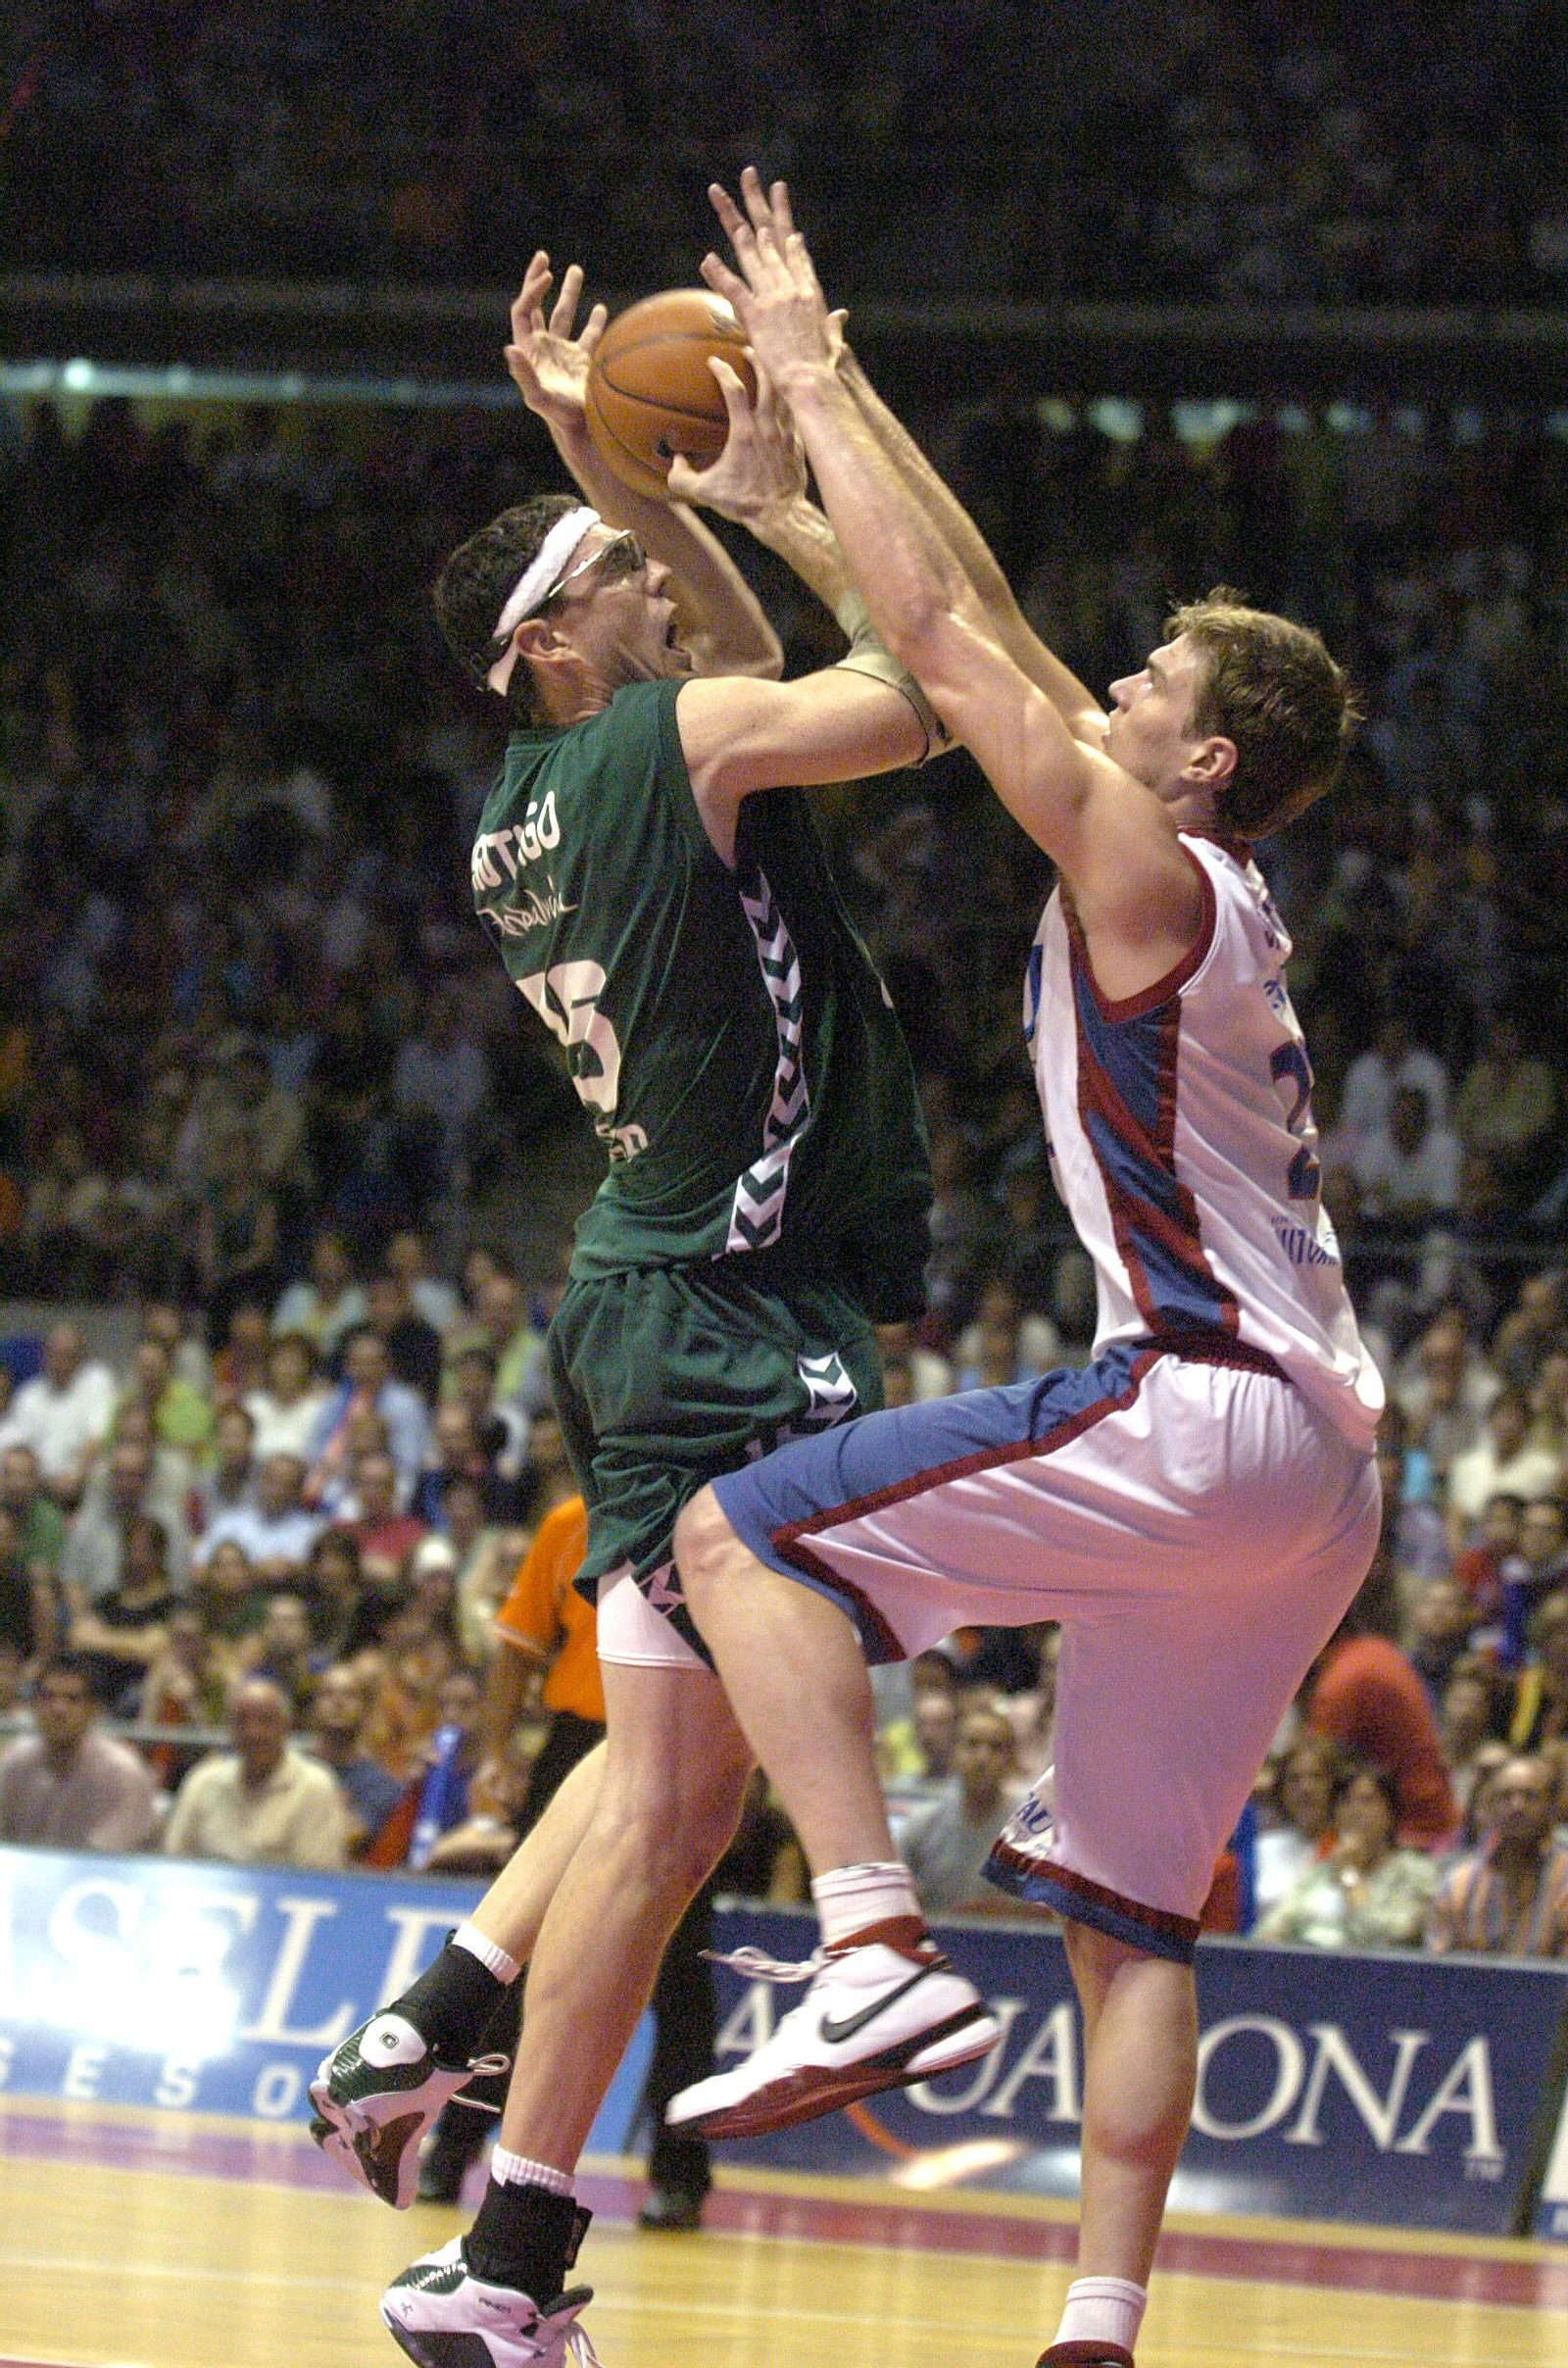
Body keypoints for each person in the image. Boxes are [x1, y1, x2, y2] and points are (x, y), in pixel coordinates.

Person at [659, 173, 1384, 2368]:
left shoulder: (1142, 859)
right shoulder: (1196, 862)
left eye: (1151, 678)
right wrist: (803, 488)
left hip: (1195, 1399)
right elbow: (959, 603)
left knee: (737, 1535)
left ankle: (870, 1941)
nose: (1119, 681)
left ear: (1206, 755)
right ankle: (1097, 2321)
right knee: (1129, 1914)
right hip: (1322, 1481)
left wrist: (813, 370)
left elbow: (948, 638)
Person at [311, 241, 940, 2366]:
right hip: (741, 1298)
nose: (652, 579)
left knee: (668, 1802)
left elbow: (725, 661)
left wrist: (622, 471)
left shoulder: (533, 800)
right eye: (614, 572)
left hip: (643, 1286)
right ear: (548, 642)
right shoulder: (671, 746)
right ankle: (865, 1938)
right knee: (698, 1777)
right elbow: (912, 684)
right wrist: (785, 480)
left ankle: (488, 2198)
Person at [162, 1676, 349, 1869]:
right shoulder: (202, 1780)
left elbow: (318, 1876)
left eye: (265, 1720)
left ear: (286, 1726)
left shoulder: (316, 1786)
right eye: (242, 1721)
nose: (253, 1732)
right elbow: (173, 1859)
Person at [1253, 1762, 1439, 1949]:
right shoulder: (1322, 1871)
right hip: (1305, 1959)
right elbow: (1271, 1927)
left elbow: (1382, 1936)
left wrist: (1350, 1875)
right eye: (1345, 1802)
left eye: (1367, 1801)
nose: (1355, 1811)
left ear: (1390, 1813)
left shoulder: (1414, 1872)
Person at [0, 1653, 159, 1851]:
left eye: (73, 1699)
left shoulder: (123, 1773)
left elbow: (107, 1857)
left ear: (94, 1710)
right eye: (48, 1697)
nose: (58, 1709)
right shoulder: (15, 1764)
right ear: (33, 1706)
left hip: (101, 1870)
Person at [1426, 1751, 1568, 1955]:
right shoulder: (1458, 1886)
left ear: (1552, 1808)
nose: (1517, 1806)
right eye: (1505, 1797)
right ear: (1490, 1808)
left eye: (1530, 1796)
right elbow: (1439, 1966)